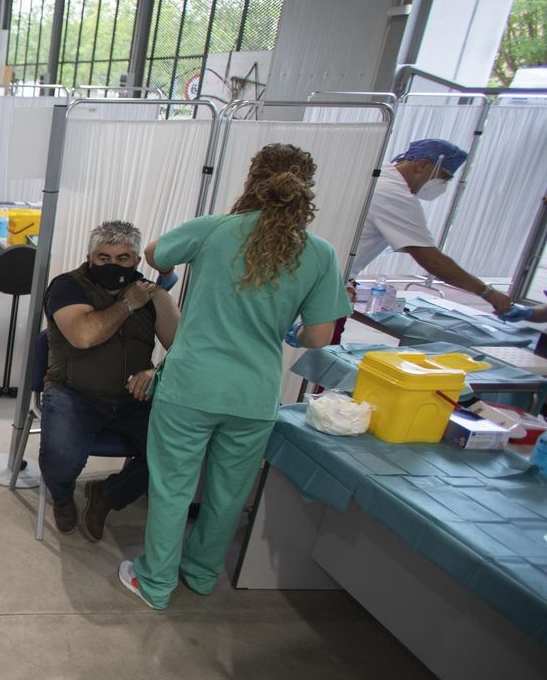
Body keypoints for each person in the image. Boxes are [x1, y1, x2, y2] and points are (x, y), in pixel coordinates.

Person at [121, 143, 349, 610]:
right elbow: (321, 335)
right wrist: (288, 332)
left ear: (252, 181)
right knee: (228, 494)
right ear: (305, 189)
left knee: (173, 488)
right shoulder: (320, 254)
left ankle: (155, 583)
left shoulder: (215, 230)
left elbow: (154, 253)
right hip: (255, 394)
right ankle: (202, 575)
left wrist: (172, 265)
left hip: (191, 386)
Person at [40, 221, 179, 541]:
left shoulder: (153, 295)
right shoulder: (67, 287)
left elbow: (184, 349)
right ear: (90, 257)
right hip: (73, 393)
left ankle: (107, 495)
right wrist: (128, 304)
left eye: (123, 258)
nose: (112, 265)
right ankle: (62, 497)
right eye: (103, 258)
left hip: (133, 397)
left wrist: (156, 372)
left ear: (137, 261)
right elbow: (84, 336)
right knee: (60, 460)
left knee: (173, 453)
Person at [350, 138, 517, 316]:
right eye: (443, 177)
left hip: (330, 271)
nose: (442, 185)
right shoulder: (394, 194)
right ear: (422, 165)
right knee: (324, 340)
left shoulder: (376, 173)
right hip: (333, 277)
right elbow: (431, 260)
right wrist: (487, 292)